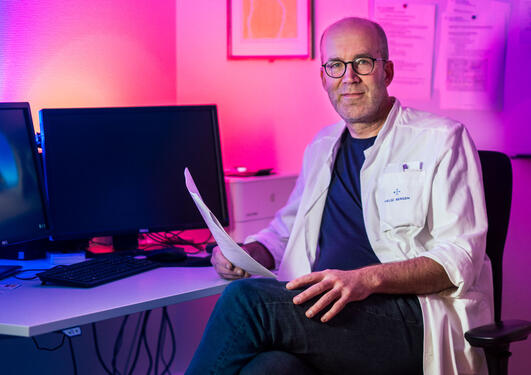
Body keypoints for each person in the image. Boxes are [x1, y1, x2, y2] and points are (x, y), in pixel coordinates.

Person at [186, 17, 492, 375]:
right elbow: (285, 233)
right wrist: (247, 253)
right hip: (330, 316)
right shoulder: (322, 147)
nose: (349, 77)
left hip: (411, 320)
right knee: (271, 368)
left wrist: (365, 279)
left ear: (387, 71)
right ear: (323, 78)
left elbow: (460, 258)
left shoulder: (442, 139)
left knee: (246, 302)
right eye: (335, 65)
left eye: (362, 62)